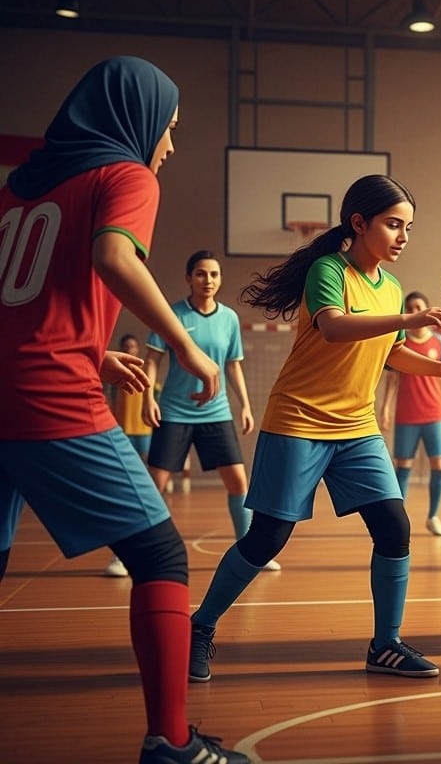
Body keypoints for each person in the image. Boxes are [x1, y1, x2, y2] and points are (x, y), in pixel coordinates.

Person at [0, 55, 247, 763]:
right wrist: (186, 345)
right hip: (50, 398)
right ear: (136, 119)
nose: (168, 144)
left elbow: (24, 295)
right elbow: (114, 257)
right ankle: (172, 742)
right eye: (169, 127)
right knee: (160, 554)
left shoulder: (18, 189)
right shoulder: (125, 174)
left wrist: (95, 349)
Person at [188, 174, 441, 683]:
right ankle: (200, 627)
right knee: (267, 538)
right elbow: (335, 327)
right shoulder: (328, 270)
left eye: (408, 227)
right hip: (299, 419)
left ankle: (385, 645)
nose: (404, 237)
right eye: (394, 225)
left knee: (394, 527)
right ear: (359, 223)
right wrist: (408, 321)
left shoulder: (390, 287)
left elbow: (390, 355)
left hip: (357, 427)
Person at [103, 250, 265, 580]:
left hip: (216, 413)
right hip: (175, 414)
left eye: (214, 274)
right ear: (189, 278)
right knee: (155, 485)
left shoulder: (229, 319)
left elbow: (233, 365)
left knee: (238, 482)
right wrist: (148, 398)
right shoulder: (171, 314)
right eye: (201, 274)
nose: (208, 280)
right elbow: (152, 361)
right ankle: (125, 556)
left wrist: (245, 405)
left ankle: (249, 554)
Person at [379, 291, 441, 537]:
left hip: (434, 413)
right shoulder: (401, 342)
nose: (415, 310)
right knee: (403, 465)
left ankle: (433, 516)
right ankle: (398, 521)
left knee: (439, 464)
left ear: (427, 310)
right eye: (411, 307)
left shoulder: (439, 342)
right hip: (406, 414)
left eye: (419, 306)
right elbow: (392, 380)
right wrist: (385, 408)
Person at [109, 333, 154, 460]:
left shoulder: (146, 370)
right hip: (123, 426)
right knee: (127, 459)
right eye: (126, 346)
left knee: (146, 459)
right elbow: (110, 397)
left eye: (132, 346)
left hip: (143, 426)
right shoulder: (115, 371)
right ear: (121, 348)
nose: (129, 349)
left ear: (138, 348)